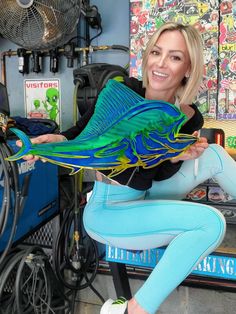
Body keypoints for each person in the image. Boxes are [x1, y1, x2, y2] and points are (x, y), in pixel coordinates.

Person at [17, 22, 236, 314]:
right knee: (211, 222)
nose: (160, 63)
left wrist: (176, 157)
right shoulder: (123, 91)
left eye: (174, 56)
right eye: (156, 52)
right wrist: (58, 141)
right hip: (109, 212)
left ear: (188, 67)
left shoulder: (189, 117)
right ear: (146, 57)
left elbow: (158, 177)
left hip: (144, 195)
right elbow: (85, 135)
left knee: (215, 154)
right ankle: (132, 310)